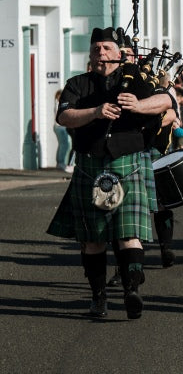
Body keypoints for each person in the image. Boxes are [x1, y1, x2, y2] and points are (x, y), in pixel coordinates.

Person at [47, 27, 173, 318]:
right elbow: (64, 116)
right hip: (91, 165)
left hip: (128, 164)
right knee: (93, 239)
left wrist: (139, 105)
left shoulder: (137, 79)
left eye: (106, 49)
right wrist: (94, 112)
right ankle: (98, 296)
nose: (100, 54)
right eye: (95, 49)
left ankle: (131, 291)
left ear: (118, 54)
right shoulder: (78, 84)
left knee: (129, 234)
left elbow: (166, 101)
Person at [53, 90, 73, 172]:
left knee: (63, 145)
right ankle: (60, 162)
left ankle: (60, 162)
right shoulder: (59, 104)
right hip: (60, 127)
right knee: (64, 145)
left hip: (60, 127)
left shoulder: (58, 104)